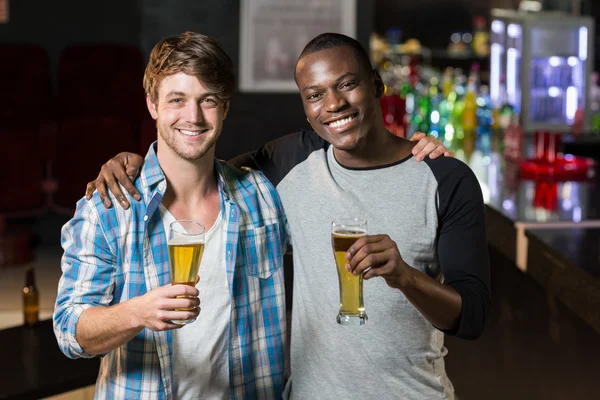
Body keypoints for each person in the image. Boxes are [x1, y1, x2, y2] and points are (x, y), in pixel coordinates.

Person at [87, 33, 489, 400]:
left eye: (347, 84)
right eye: (314, 95)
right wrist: (134, 163)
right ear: (305, 106)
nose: (333, 104)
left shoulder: (444, 178)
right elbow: (199, 168)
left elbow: (470, 316)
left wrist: (404, 276)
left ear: (376, 84)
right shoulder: (291, 162)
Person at [53, 32, 290, 400]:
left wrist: (413, 148)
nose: (192, 117)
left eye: (207, 101)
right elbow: (69, 331)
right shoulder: (108, 208)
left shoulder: (261, 195)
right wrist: (136, 313)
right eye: (177, 99)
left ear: (225, 107)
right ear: (152, 105)